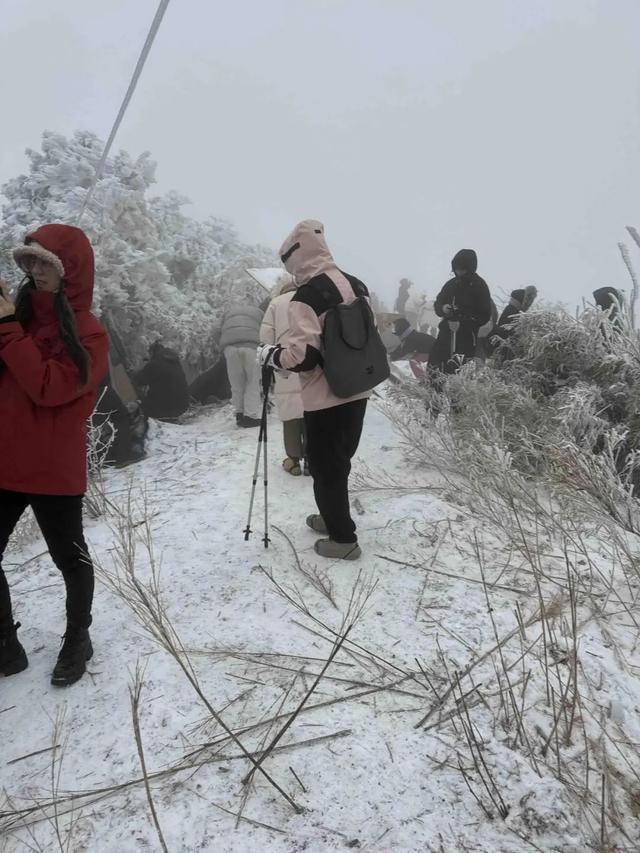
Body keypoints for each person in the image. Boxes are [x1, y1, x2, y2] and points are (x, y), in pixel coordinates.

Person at [0, 224, 109, 685]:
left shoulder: (89, 332)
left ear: (71, 271)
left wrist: (7, 329)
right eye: (29, 260)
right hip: (5, 461)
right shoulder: (19, 319)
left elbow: (49, 387)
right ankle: (6, 644)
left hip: (53, 468)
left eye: (44, 261)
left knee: (70, 559)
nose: (33, 269)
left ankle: (77, 638)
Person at [258, 220, 369, 561]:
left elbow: (304, 357)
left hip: (325, 397)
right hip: (357, 388)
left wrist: (271, 355)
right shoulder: (354, 284)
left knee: (325, 468)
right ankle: (333, 515)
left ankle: (343, 539)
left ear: (295, 257)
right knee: (339, 462)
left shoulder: (306, 297)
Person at [259, 274, 307, 476]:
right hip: (311, 363)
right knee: (311, 411)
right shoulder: (310, 300)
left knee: (290, 412)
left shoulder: (276, 303)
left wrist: (269, 363)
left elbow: (266, 338)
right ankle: (313, 461)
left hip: (285, 364)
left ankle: (294, 461)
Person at [428, 249, 492, 375]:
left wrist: (462, 324)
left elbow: (484, 315)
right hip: (445, 335)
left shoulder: (480, 286)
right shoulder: (451, 284)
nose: (458, 271)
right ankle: (432, 392)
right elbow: (438, 302)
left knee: (457, 371)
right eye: (456, 268)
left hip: (466, 339)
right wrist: (443, 308)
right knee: (435, 368)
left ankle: (453, 394)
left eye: (462, 268)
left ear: (470, 267)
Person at [220, 300, 266, 428]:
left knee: (236, 384)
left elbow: (215, 330)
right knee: (252, 383)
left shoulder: (228, 313)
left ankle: (239, 415)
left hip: (231, 349)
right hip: (251, 348)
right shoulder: (259, 312)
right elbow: (267, 329)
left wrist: (223, 346)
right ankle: (250, 417)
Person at [134, 340, 189, 421]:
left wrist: (136, 370)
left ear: (152, 353)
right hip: (182, 409)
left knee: (133, 391)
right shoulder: (176, 364)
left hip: (162, 411)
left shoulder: (153, 364)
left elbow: (138, 381)